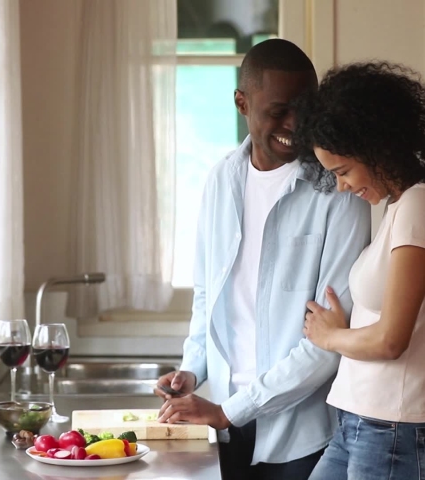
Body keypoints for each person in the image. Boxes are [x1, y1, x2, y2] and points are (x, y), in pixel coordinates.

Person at [154, 39, 371, 480]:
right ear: (242, 103)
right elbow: (207, 295)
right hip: (223, 426)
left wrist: (230, 410)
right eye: (279, 110)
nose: (296, 124)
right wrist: (191, 371)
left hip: (301, 435)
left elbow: (329, 341)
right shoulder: (220, 180)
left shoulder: (339, 192)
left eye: (306, 108)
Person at [294, 62, 425, 480]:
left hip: (396, 432)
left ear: (377, 147)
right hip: (365, 421)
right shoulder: (401, 206)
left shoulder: (421, 206)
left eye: (343, 171)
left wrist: (331, 337)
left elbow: (392, 341)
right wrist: (344, 326)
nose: (341, 187)